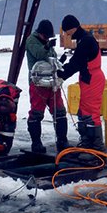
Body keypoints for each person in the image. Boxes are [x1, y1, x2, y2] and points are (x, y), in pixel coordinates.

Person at [57, 14, 106, 151]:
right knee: (83, 111)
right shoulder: (82, 39)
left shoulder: (86, 41)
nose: (66, 33)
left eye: (66, 30)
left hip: (93, 79)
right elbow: (77, 62)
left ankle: (97, 147)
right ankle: (87, 143)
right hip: (87, 78)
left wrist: (61, 74)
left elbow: (76, 63)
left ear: (72, 28)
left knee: (91, 113)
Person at [25, 19, 70, 154]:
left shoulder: (47, 43)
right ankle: (36, 143)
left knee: (60, 111)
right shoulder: (31, 41)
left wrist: (60, 61)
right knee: (36, 113)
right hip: (38, 83)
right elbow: (39, 54)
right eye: (45, 36)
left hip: (52, 83)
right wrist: (47, 46)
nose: (46, 39)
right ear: (40, 33)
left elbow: (51, 57)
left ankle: (62, 140)